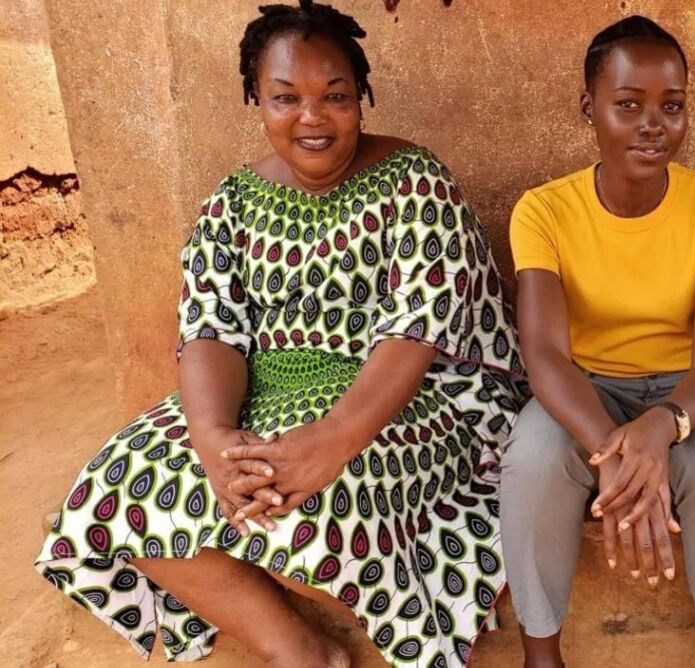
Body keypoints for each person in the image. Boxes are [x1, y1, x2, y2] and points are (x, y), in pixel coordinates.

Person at [34, 3, 524, 666]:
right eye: (286, 98)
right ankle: (298, 651)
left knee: (320, 496)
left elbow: (415, 333)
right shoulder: (232, 201)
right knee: (122, 481)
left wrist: (330, 443)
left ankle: (416, 613)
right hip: (266, 390)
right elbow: (209, 329)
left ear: (363, 97)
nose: (312, 118)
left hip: (410, 398)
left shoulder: (416, 181)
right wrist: (212, 440)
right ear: (256, 99)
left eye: (336, 97)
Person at [500, 15, 695, 668]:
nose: (653, 124)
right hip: (582, 393)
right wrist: (614, 454)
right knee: (531, 461)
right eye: (628, 105)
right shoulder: (544, 211)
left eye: (671, 106)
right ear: (588, 107)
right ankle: (541, 655)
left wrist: (662, 427)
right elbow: (545, 356)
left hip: (691, 399)